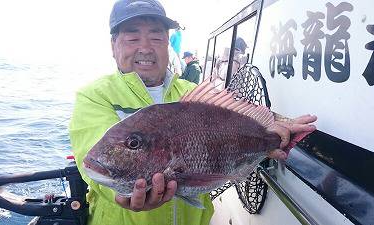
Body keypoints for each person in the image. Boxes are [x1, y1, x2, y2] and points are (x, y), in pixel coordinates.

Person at [69, 0, 317, 225]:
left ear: (168, 43)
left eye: (156, 37)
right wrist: (118, 191)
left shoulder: (193, 91)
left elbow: (242, 122)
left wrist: (271, 135)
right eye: (132, 38)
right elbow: (91, 164)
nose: (145, 47)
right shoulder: (95, 95)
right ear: (113, 45)